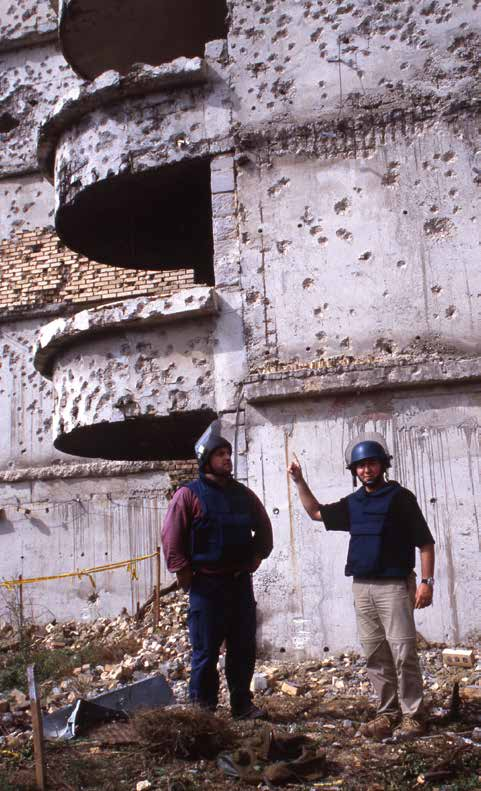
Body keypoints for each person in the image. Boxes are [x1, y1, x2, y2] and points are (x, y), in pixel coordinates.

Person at [288, 435, 435, 740]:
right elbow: (316, 512)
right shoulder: (354, 503)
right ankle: (387, 713)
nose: (366, 470)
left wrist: (426, 582)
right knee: (375, 653)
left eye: (371, 463)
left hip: (394, 586)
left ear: (383, 465)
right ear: (353, 470)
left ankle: (413, 717)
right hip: (362, 587)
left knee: (404, 652)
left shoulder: (400, 498)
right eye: (360, 466)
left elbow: (426, 543)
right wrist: (299, 481)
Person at [162, 421, 273, 719]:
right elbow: (172, 539)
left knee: (242, 649)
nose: (227, 458)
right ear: (206, 459)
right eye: (220, 454)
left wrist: (257, 556)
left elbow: (263, 528)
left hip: (239, 585)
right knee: (205, 653)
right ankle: (203, 713)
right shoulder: (188, 495)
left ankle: (242, 705)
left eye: (228, 453)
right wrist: (186, 577)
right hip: (207, 587)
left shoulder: (243, 495)